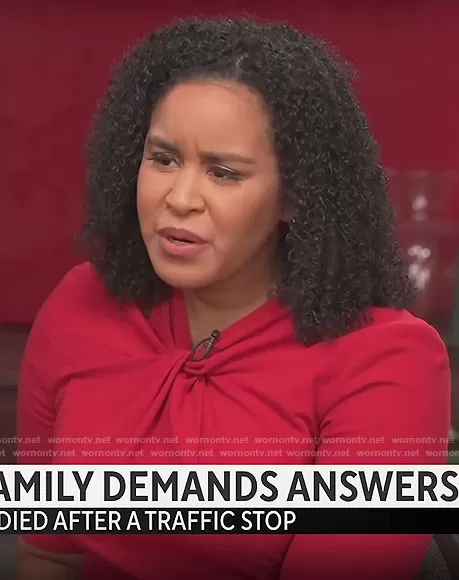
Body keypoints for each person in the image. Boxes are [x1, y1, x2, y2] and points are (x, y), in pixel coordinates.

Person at [17, 16, 451, 580]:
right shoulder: (80, 303)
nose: (180, 198)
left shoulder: (390, 360)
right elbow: (50, 553)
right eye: (163, 159)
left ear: (295, 198)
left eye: (223, 173)